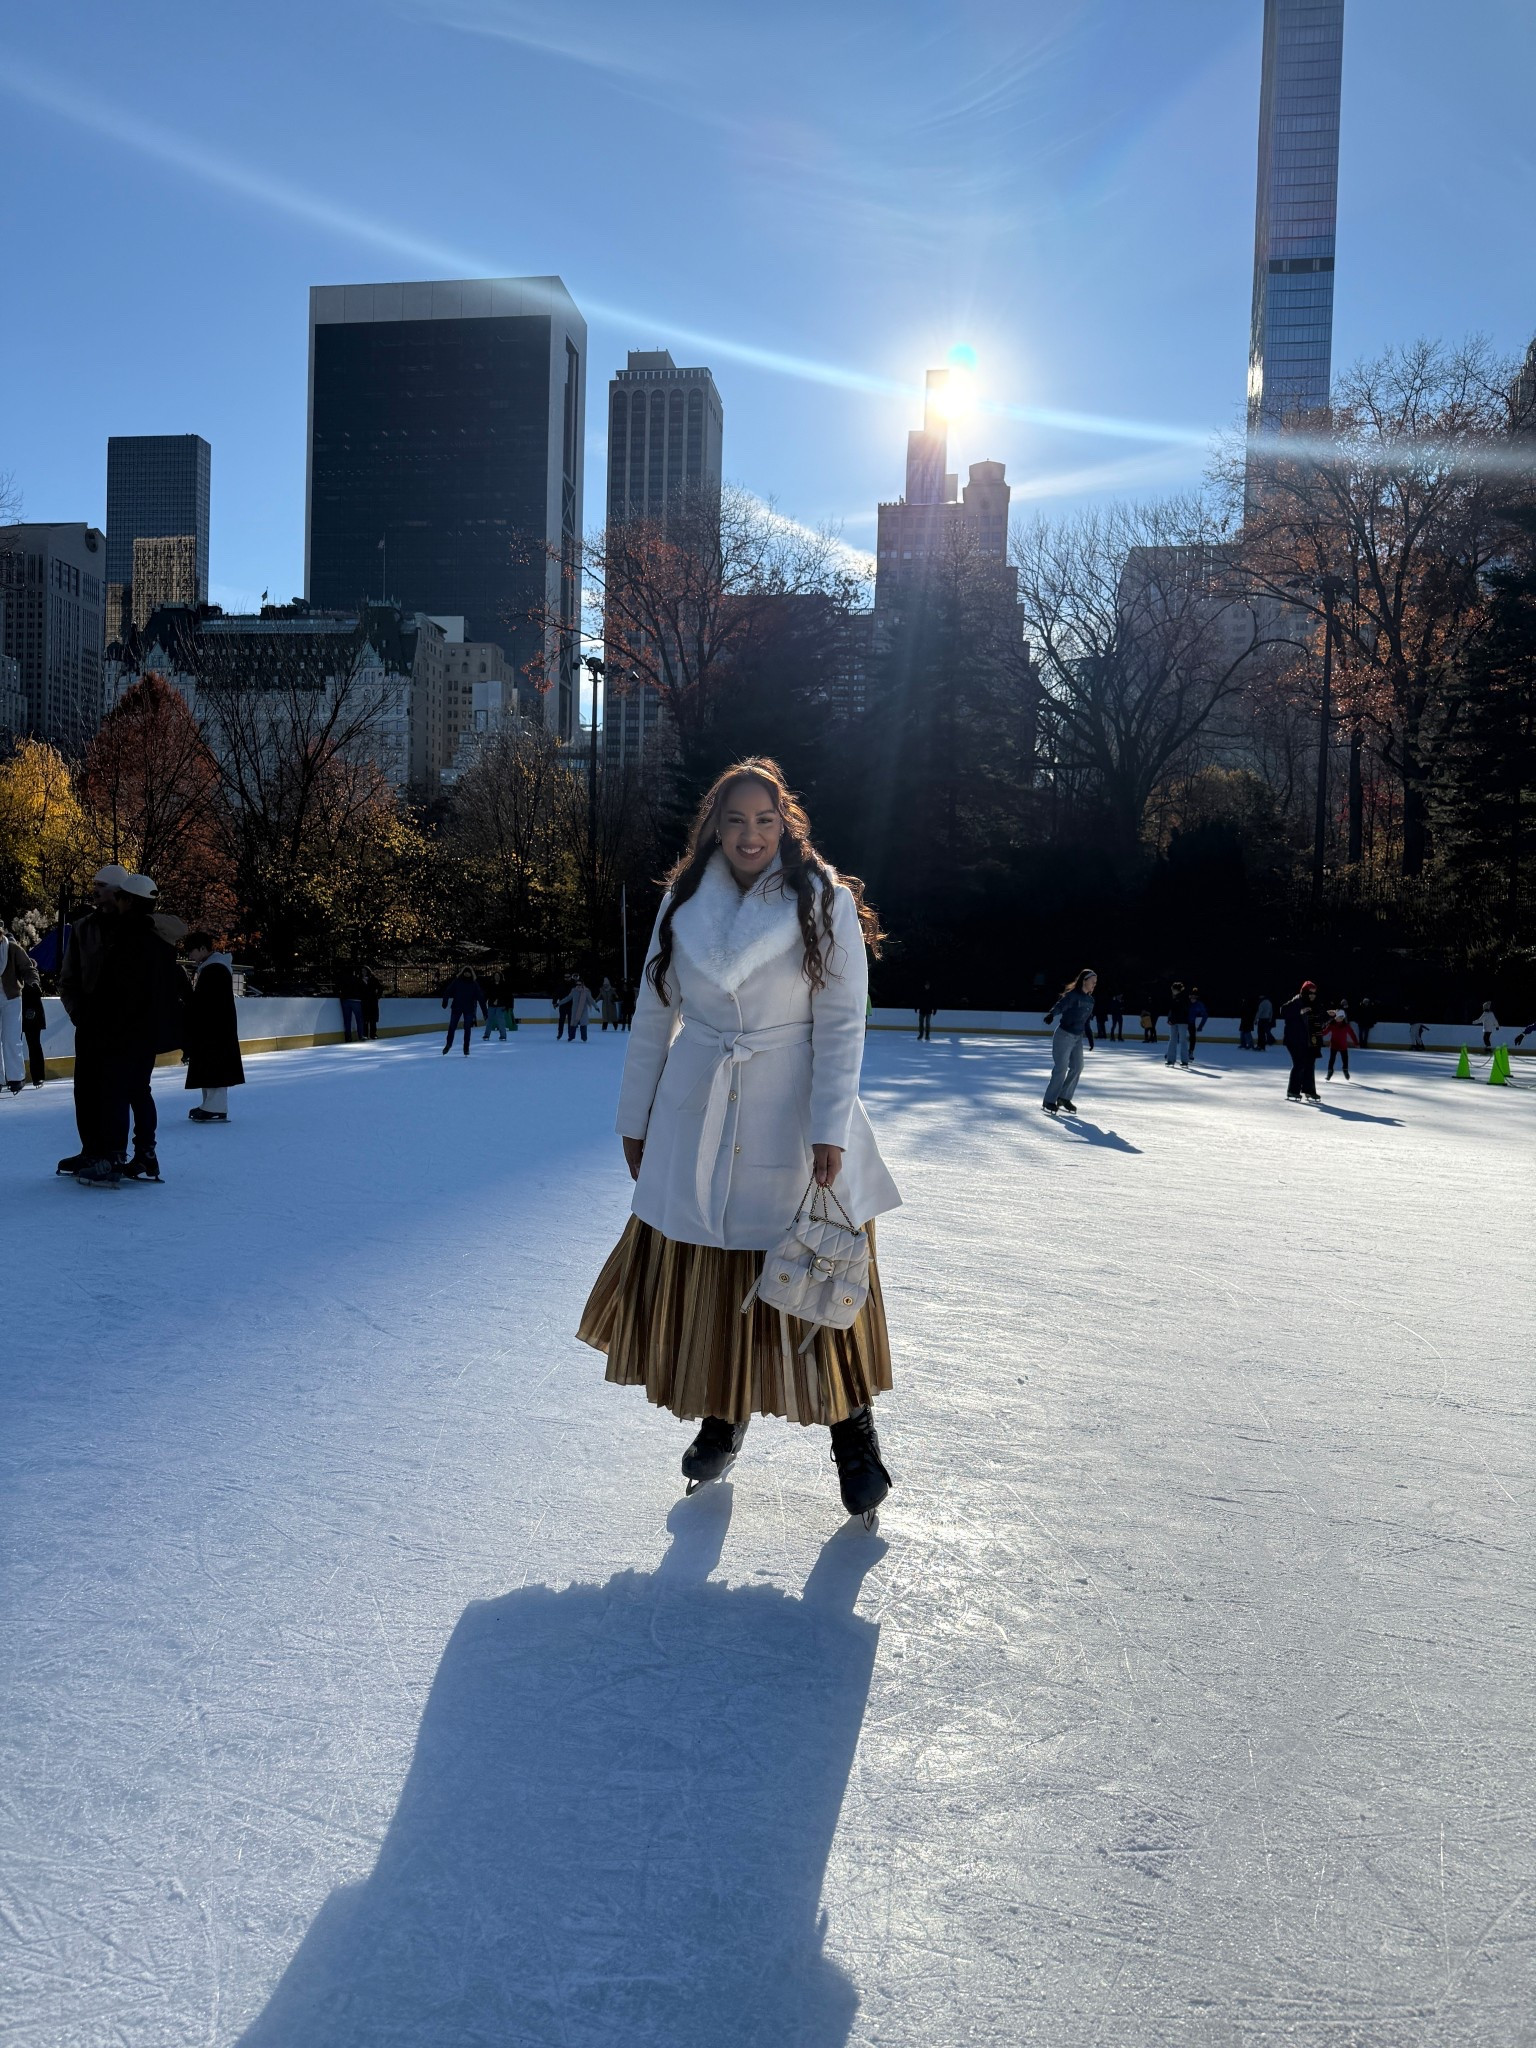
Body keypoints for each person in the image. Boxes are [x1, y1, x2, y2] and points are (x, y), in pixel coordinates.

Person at [578, 756, 900, 1522]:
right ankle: (723, 1416)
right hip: (698, 1109)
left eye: (764, 820)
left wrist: (830, 1128)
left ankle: (853, 1435)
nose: (750, 834)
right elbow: (656, 1018)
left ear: (784, 822)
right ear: (714, 829)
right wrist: (638, 1119)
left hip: (791, 1110)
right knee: (714, 1275)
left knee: (812, 1270)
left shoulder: (823, 899)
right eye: (735, 820)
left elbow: (842, 1021)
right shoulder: (683, 904)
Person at [57, 867, 188, 1184]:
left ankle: (111, 1157)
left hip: (119, 1027)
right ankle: (126, 1153)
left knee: (117, 1090)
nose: (96, 892)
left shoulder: (138, 933)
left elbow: (123, 985)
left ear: (122, 896)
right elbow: (71, 979)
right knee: (104, 1090)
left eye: (103, 887)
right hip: (107, 1024)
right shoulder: (89, 928)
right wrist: (81, 1016)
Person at [183, 932, 245, 1122]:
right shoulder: (212, 967)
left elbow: (206, 1001)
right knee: (211, 1064)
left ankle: (215, 1106)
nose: (190, 956)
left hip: (214, 1027)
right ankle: (210, 1104)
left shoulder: (214, 969)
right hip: (216, 1026)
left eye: (191, 951)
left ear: (202, 948)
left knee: (214, 1064)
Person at [1042, 968, 1097, 1115]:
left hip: (1077, 1038)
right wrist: (1052, 1014)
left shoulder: (1090, 1000)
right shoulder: (1073, 996)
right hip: (1064, 1035)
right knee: (1061, 1068)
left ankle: (1064, 1097)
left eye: (1095, 983)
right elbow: (1061, 1005)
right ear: (1084, 981)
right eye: (1092, 982)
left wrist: (1090, 1037)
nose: (1094, 985)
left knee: (1078, 1067)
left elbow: (1086, 1021)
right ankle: (1049, 1100)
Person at [0, 918, 41, 1094]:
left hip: (11, 998)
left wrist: (33, 983)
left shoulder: (12, 949)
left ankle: (16, 1078)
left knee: (11, 1038)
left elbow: (28, 968)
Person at [1281, 981, 1322, 1101]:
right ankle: (1292, 1091)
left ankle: (1309, 1091)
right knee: (1299, 1064)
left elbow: (1319, 1023)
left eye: (1314, 993)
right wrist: (1299, 1012)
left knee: (1310, 1064)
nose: (1312, 995)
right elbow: (1283, 1011)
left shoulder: (1315, 1005)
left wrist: (1329, 1017)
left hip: (1310, 1041)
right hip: (1294, 1040)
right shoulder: (1296, 1001)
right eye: (1310, 993)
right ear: (1304, 992)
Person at [441, 968, 485, 1055]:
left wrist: (485, 1012)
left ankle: (466, 1048)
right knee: (452, 1027)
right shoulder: (457, 981)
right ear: (463, 973)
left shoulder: (474, 984)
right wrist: (445, 1001)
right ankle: (448, 1044)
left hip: (469, 1009)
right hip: (457, 1008)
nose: (467, 974)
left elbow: (480, 998)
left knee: (467, 1028)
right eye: (465, 972)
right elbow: (448, 990)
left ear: (471, 974)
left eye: (469, 973)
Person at [21, 976, 47, 1086]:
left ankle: (38, 1076)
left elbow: (37, 991)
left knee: (34, 1045)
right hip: (14, 1010)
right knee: (11, 1045)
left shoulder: (31, 974)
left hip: (31, 1012)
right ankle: (14, 1077)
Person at [1322, 1008, 1359, 1081]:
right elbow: (1325, 1032)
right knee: (1332, 1059)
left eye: (1342, 1017)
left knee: (1345, 1059)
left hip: (1343, 1046)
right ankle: (1330, 1072)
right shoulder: (1331, 1024)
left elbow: (1352, 1034)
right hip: (1334, 1045)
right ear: (1336, 1017)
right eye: (1340, 1017)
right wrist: (1318, 1033)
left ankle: (1345, 1070)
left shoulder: (1346, 1026)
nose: (1341, 1019)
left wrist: (1356, 1043)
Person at [337, 963, 366, 1043]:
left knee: (347, 1019)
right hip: (356, 1000)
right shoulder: (356, 979)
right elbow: (363, 988)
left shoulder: (342, 979)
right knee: (359, 1019)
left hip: (345, 1000)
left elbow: (337, 988)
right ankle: (361, 1035)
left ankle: (348, 1037)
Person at [1165, 982, 1192, 1068]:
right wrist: (1170, 1019)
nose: (1172, 991)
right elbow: (1171, 1010)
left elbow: (1182, 1010)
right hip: (1174, 1022)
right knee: (1172, 1039)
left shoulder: (1184, 998)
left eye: (1173, 989)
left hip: (1182, 1022)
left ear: (1177, 990)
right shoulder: (1173, 998)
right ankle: (1171, 1060)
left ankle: (1184, 1061)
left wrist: (1172, 1018)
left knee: (1182, 1040)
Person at [566, 975, 593, 1044]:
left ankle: (584, 1038)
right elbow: (567, 998)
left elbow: (591, 1000)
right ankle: (571, 1037)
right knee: (573, 1024)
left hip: (583, 1011)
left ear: (582, 984)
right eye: (577, 984)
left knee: (583, 1024)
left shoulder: (586, 991)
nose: (578, 985)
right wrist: (559, 1003)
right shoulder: (573, 991)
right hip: (575, 1010)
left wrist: (596, 1007)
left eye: (579, 984)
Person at [360, 965, 383, 1041]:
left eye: (364, 971)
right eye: (362, 971)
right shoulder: (360, 980)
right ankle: (365, 1034)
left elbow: (380, 988)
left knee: (373, 1019)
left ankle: (373, 1034)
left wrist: (378, 996)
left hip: (372, 1001)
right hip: (364, 1001)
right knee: (365, 1018)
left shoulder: (373, 979)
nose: (363, 972)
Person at [1187, 986, 1209, 1058]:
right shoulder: (1185, 1003)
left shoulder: (1199, 1005)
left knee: (1193, 1037)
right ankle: (1170, 1052)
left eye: (1194, 997)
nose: (1193, 999)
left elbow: (1205, 1016)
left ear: (1197, 997)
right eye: (1191, 997)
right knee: (1176, 1037)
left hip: (1191, 1023)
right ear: (1189, 997)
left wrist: (1200, 1026)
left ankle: (1191, 1051)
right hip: (1182, 1023)